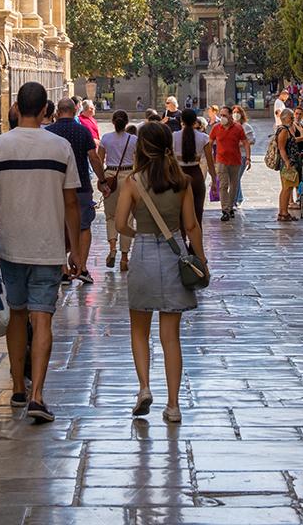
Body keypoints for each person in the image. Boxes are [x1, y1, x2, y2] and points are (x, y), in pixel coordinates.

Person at [0, 82, 82, 423]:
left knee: (17, 316)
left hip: (11, 246)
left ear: (17, 108)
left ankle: (18, 387)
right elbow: (71, 202)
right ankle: (38, 395)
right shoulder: (61, 148)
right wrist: (75, 250)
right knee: (42, 318)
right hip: (48, 248)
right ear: (46, 108)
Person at [115, 122, 208, 423]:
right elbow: (191, 226)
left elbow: (119, 225)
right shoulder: (181, 181)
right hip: (173, 255)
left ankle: (144, 387)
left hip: (142, 254)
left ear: (141, 147)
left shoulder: (133, 182)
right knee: (171, 336)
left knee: (139, 329)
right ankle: (173, 404)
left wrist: (138, 231)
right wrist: (201, 259)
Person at [47, 97, 106, 285]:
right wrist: (102, 180)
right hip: (80, 185)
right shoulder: (83, 131)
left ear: (58, 111)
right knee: (84, 225)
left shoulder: (50, 133)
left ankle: (63, 269)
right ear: (74, 111)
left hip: (56, 186)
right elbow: (94, 158)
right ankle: (81, 264)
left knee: (58, 226)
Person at [97, 110, 137, 271]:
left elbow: (99, 161)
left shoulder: (106, 138)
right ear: (126, 122)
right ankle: (125, 257)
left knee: (111, 216)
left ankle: (112, 248)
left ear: (113, 122)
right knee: (128, 218)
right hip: (128, 177)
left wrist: (102, 181)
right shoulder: (134, 139)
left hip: (111, 177)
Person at [172, 107, 214, 226]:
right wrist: (214, 180)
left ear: (182, 121)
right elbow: (210, 161)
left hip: (179, 174)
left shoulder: (174, 136)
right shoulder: (204, 138)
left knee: (179, 211)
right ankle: (195, 239)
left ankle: (183, 237)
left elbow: (168, 158)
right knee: (197, 210)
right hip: (196, 174)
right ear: (195, 121)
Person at [210, 106, 250, 221]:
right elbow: (210, 142)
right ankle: (225, 209)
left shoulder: (238, 128)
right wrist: (211, 159)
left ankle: (231, 206)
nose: (222, 118)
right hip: (221, 160)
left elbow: (246, 142)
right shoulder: (216, 128)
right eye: (221, 115)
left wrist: (248, 158)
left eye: (225, 115)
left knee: (234, 185)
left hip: (235, 161)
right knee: (223, 185)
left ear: (230, 116)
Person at [275, 108, 303, 223]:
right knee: (286, 188)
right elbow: (281, 148)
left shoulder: (288, 129)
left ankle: (284, 212)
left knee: (289, 187)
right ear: (284, 118)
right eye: (291, 117)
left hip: (292, 162)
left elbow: (293, 142)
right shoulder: (283, 130)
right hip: (287, 163)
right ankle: (283, 212)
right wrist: (287, 162)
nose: (293, 119)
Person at [231, 104, 256, 209]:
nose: (236, 114)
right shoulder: (230, 126)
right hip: (232, 155)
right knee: (235, 178)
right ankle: (238, 198)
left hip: (242, 155)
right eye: (234, 112)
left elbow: (252, 140)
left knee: (236, 178)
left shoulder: (246, 127)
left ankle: (234, 200)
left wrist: (241, 143)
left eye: (238, 112)